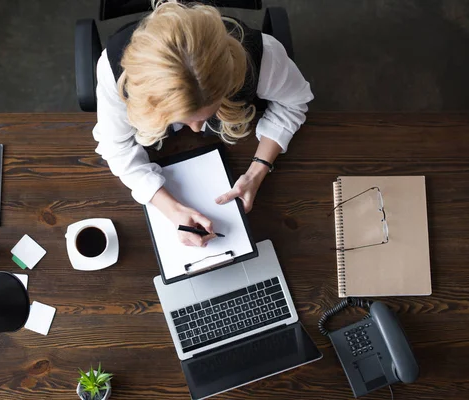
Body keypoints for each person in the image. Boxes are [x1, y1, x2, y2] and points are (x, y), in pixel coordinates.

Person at [93, 0, 313, 247]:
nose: (198, 130)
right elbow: (116, 146)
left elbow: (293, 103)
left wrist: (256, 171)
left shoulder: (265, 57)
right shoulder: (115, 72)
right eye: (182, 119)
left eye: (208, 114)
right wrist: (173, 210)